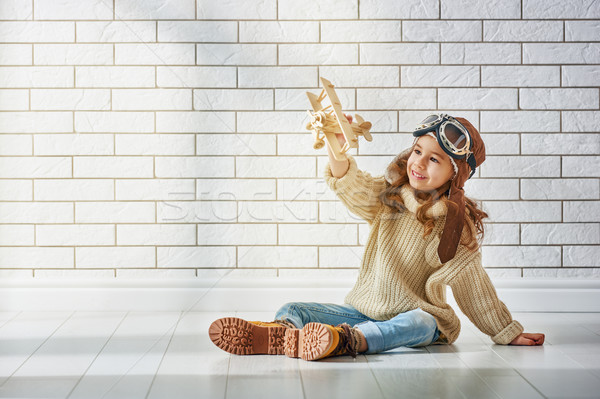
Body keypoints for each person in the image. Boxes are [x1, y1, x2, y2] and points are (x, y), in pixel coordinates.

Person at [208, 114, 545, 361]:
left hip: (422, 318)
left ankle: (346, 342)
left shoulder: (454, 226)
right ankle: (282, 334)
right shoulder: (390, 197)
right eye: (417, 151)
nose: (419, 163)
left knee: (418, 322)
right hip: (363, 311)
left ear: (455, 174)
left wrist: (505, 331)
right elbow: (351, 185)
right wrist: (337, 148)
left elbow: (472, 284)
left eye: (434, 159)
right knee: (293, 307)